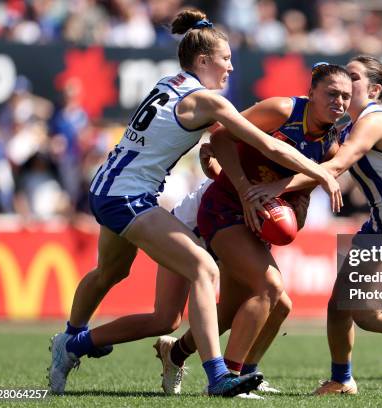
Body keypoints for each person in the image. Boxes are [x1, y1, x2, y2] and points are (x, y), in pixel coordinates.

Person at [47, 8, 341, 397]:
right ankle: (219, 377)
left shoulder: (169, 82)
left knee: (116, 279)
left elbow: (209, 140)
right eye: (226, 59)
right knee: (204, 268)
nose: (231, 68)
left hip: (108, 186)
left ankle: (71, 341)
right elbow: (266, 143)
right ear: (203, 61)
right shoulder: (209, 101)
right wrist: (320, 172)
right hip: (128, 196)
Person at [245, 55, 382, 394]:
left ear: (374, 89)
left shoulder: (375, 120)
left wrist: (276, 187)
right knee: (339, 306)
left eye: (352, 77)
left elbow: (336, 165)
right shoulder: (348, 125)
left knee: (366, 313)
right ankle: (342, 379)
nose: (343, 83)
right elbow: (316, 156)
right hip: (381, 226)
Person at [156, 63, 353, 397]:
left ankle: (184, 355)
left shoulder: (329, 144)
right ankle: (229, 377)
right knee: (268, 287)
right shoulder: (282, 110)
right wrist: (246, 190)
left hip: (254, 224)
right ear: (312, 93)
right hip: (224, 208)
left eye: (346, 96)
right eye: (332, 93)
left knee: (263, 307)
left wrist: (290, 213)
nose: (340, 102)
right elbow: (219, 136)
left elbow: (299, 203)